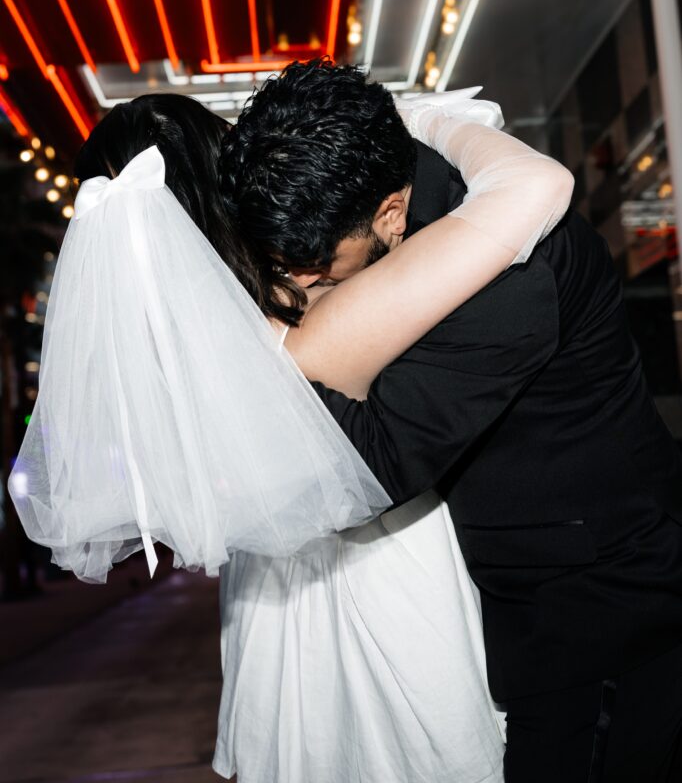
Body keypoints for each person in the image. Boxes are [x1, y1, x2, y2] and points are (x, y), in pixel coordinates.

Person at [10, 87, 572, 783]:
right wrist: (420, 118)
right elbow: (526, 194)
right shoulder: (309, 324)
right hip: (387, 575)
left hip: (275, 599)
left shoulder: (181, 358)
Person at [222, 59, 682, 783]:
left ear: (391, 215)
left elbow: (365, 474)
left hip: (600, 610)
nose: (303, 282)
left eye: (314, 263)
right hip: (549, 595)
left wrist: (271, 354)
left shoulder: (506, 273)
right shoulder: (411, 193)